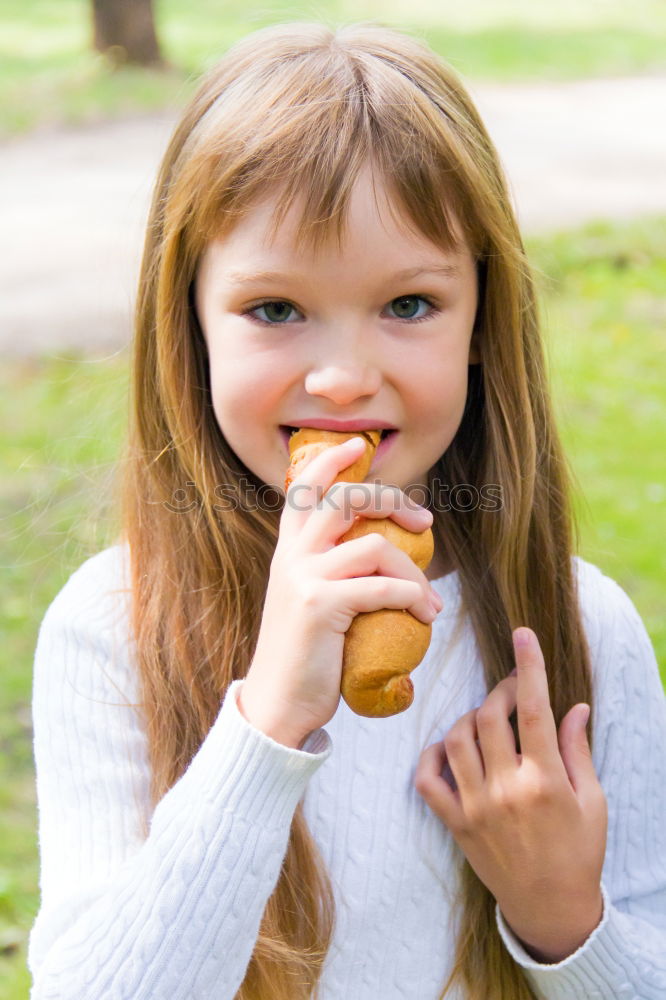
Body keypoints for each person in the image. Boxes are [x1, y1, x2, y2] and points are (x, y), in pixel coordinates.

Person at [27, 19, 666, 1000]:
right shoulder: (113, 624)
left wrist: (564, 919)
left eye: (407, 304)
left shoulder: (580, 631)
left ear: (482, 324)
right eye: (274, 310)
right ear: (190, 326)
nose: (339, 377)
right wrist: (269, 718)